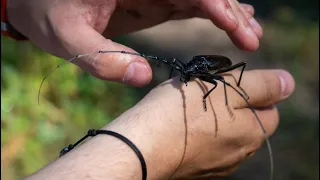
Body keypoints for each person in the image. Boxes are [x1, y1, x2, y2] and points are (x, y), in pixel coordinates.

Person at [2, 0, 295, 179]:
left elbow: (206, 76)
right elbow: (183, 70)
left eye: (188, 74)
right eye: (185, 73)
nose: (186, 76)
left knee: (229, 73)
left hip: (220, 67)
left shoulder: (206, 73)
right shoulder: (188, 68)